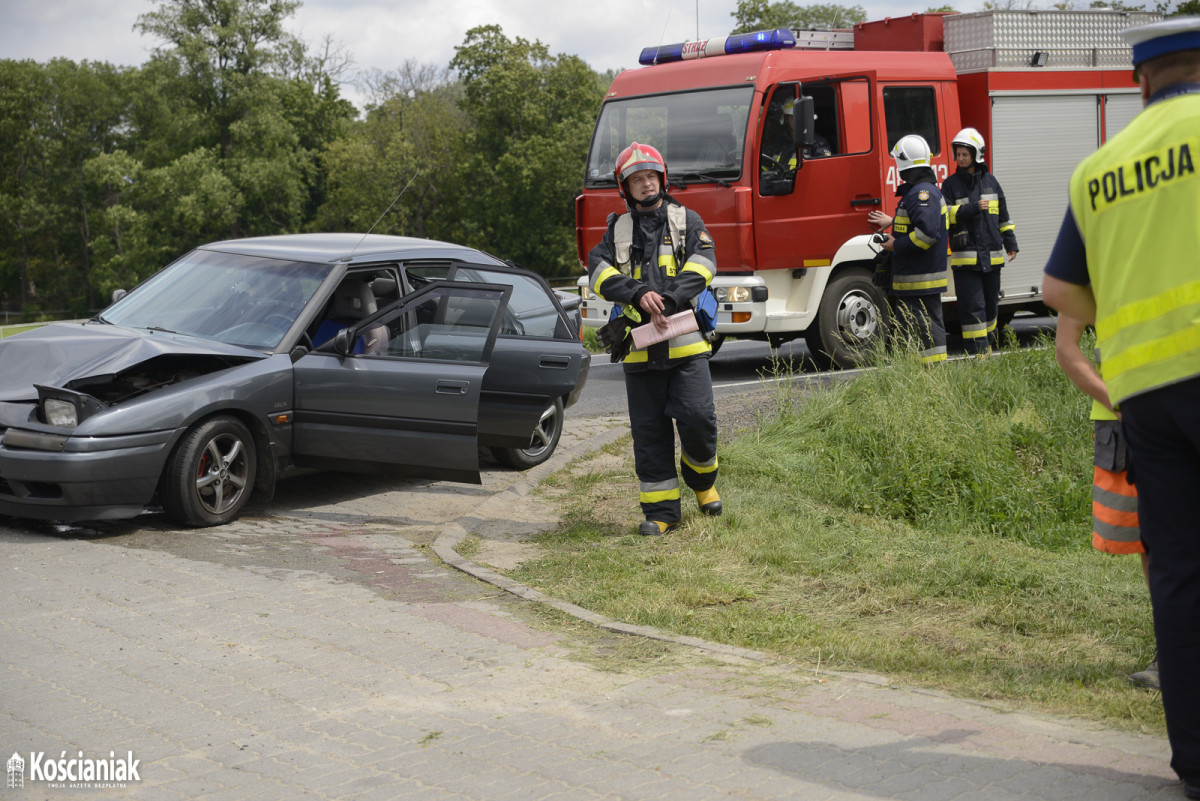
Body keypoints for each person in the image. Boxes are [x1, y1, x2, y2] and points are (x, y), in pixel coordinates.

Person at [1041, 15, 1200, 797]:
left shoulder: (1098, 169)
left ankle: (1195, 757)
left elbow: (1058, 294)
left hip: (1145, 400)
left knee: (1175, 572)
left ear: (1141, 81)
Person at [587, 142, 722, 536]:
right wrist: (633, 292)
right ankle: (662, 513)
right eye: (636, 180)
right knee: (649, 434)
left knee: (698, 418)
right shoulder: (617, 229)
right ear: (624, 187)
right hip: (639, 350)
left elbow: (705, 264)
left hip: (686, 345)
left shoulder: (687, 220)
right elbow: (597, 269)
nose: (645, 185)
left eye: (650, 177)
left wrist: (668, 297)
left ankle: (702, 481)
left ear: (662, 179)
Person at [1054, 314, 1158, 690]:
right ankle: (1173, 647)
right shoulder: (1099, 257)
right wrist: (1114, 399)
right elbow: (1066, 346)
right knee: (1150, 541)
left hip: (1181, 411)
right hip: (1123, 422)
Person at [867, 134, 949, 365]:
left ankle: (936, 374)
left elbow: (928, 234)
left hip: (921, 279)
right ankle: (922, 375)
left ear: (905, 162)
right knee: (916, 331)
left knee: (927, 331)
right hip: (914, 279)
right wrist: (892, 224)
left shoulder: (922, 194)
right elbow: (917, 224)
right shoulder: (919, 192)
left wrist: (896, 244)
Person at [941, 127, 1019, 354]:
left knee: (991, 307)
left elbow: (1003, 217)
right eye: (958, 154)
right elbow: (944, 214)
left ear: (976, 154)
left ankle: (989, 345)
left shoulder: (991, 183)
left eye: (965, 154)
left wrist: (1011, 243)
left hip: (992, 258)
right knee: (973, 308)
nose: (961, 158)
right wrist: (971, 209)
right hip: (966, 262)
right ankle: (977, 352)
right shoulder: (950, 185)